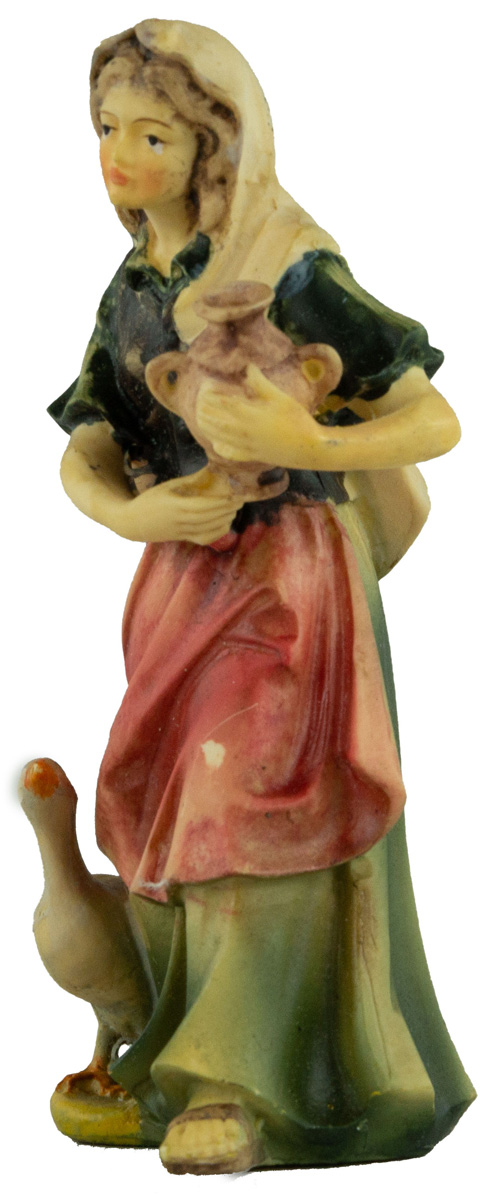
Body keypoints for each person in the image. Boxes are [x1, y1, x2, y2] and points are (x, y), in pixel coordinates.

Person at [49, 18, 474, 1175]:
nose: (118, 157)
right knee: (166, 805)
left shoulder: (289, 263)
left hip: (290, 581)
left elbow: (433, 417)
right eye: (105, 130)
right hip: (180, 588)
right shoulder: (136, 286)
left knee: (246, 796)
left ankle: (234, 1082)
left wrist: (308, 438)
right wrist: (134, 515)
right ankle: (165, 1038)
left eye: (152, 135)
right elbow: (86, 444)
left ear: (215, 147)